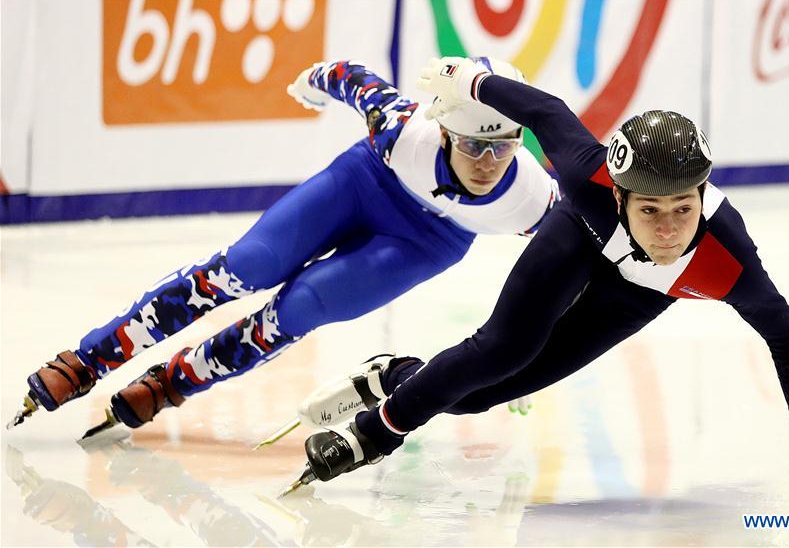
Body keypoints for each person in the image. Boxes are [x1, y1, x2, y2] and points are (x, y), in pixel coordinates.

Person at [289, 57, 789, 513]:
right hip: (581, 239)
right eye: (650, 210)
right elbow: (544, 110)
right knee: (501, 350)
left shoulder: (728, 261)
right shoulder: (588, 178)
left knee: (476, 396)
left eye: (682, 209)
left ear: (702, 196)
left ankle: (392, 376)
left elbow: (785, 335)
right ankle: (370, 436)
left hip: (640, 293)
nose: (668, 229)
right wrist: (470, 81)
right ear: (618, 195)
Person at [7, 58, 558, 434]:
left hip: (426, 241)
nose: (487, 164)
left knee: (301, 306)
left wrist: (519, 356)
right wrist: (311, 83)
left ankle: (176, 381)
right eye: (472, 145)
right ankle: (91, 358)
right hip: (364, 184)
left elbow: (570, 265)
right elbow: (348, 76)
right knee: (247, 265)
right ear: (443, 131)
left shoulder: (532, 200)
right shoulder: (403, 128)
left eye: (502, 147)